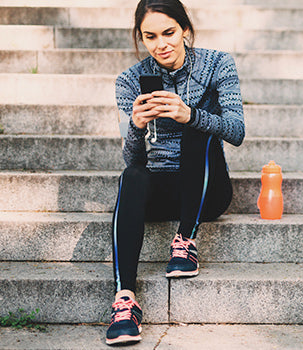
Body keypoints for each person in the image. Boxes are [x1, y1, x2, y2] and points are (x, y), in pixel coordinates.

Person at [105, 0, 245, 345]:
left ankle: (185, 241)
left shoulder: (217, 64)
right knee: (132, 177)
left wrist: (189, 115)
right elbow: (133, 160)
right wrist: (137, 127)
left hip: (207, 190)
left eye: (169, 32)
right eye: (150, 36)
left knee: (197, 130)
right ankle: (125, 301)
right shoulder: (129, 80)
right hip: (161, 188)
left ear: (185, 29)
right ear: (141, 37)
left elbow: (237, 131)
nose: (161, 44)